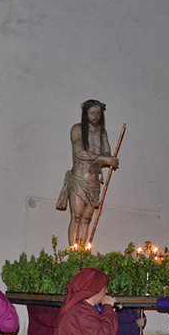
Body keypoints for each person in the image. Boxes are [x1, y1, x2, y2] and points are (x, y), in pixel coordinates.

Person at [56, 100, 119, 247]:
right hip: (79, 179)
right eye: (92, 113)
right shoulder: (77, 129)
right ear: (85, 114)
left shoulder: (102, 133)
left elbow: (107, 154)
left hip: (93, 182)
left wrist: (108, 161)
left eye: (98, 113)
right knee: (77, 216)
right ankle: (73, 252)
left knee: (87, 219)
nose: (95, 116)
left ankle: (83, 253)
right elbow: (80, 153)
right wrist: (103, 159)